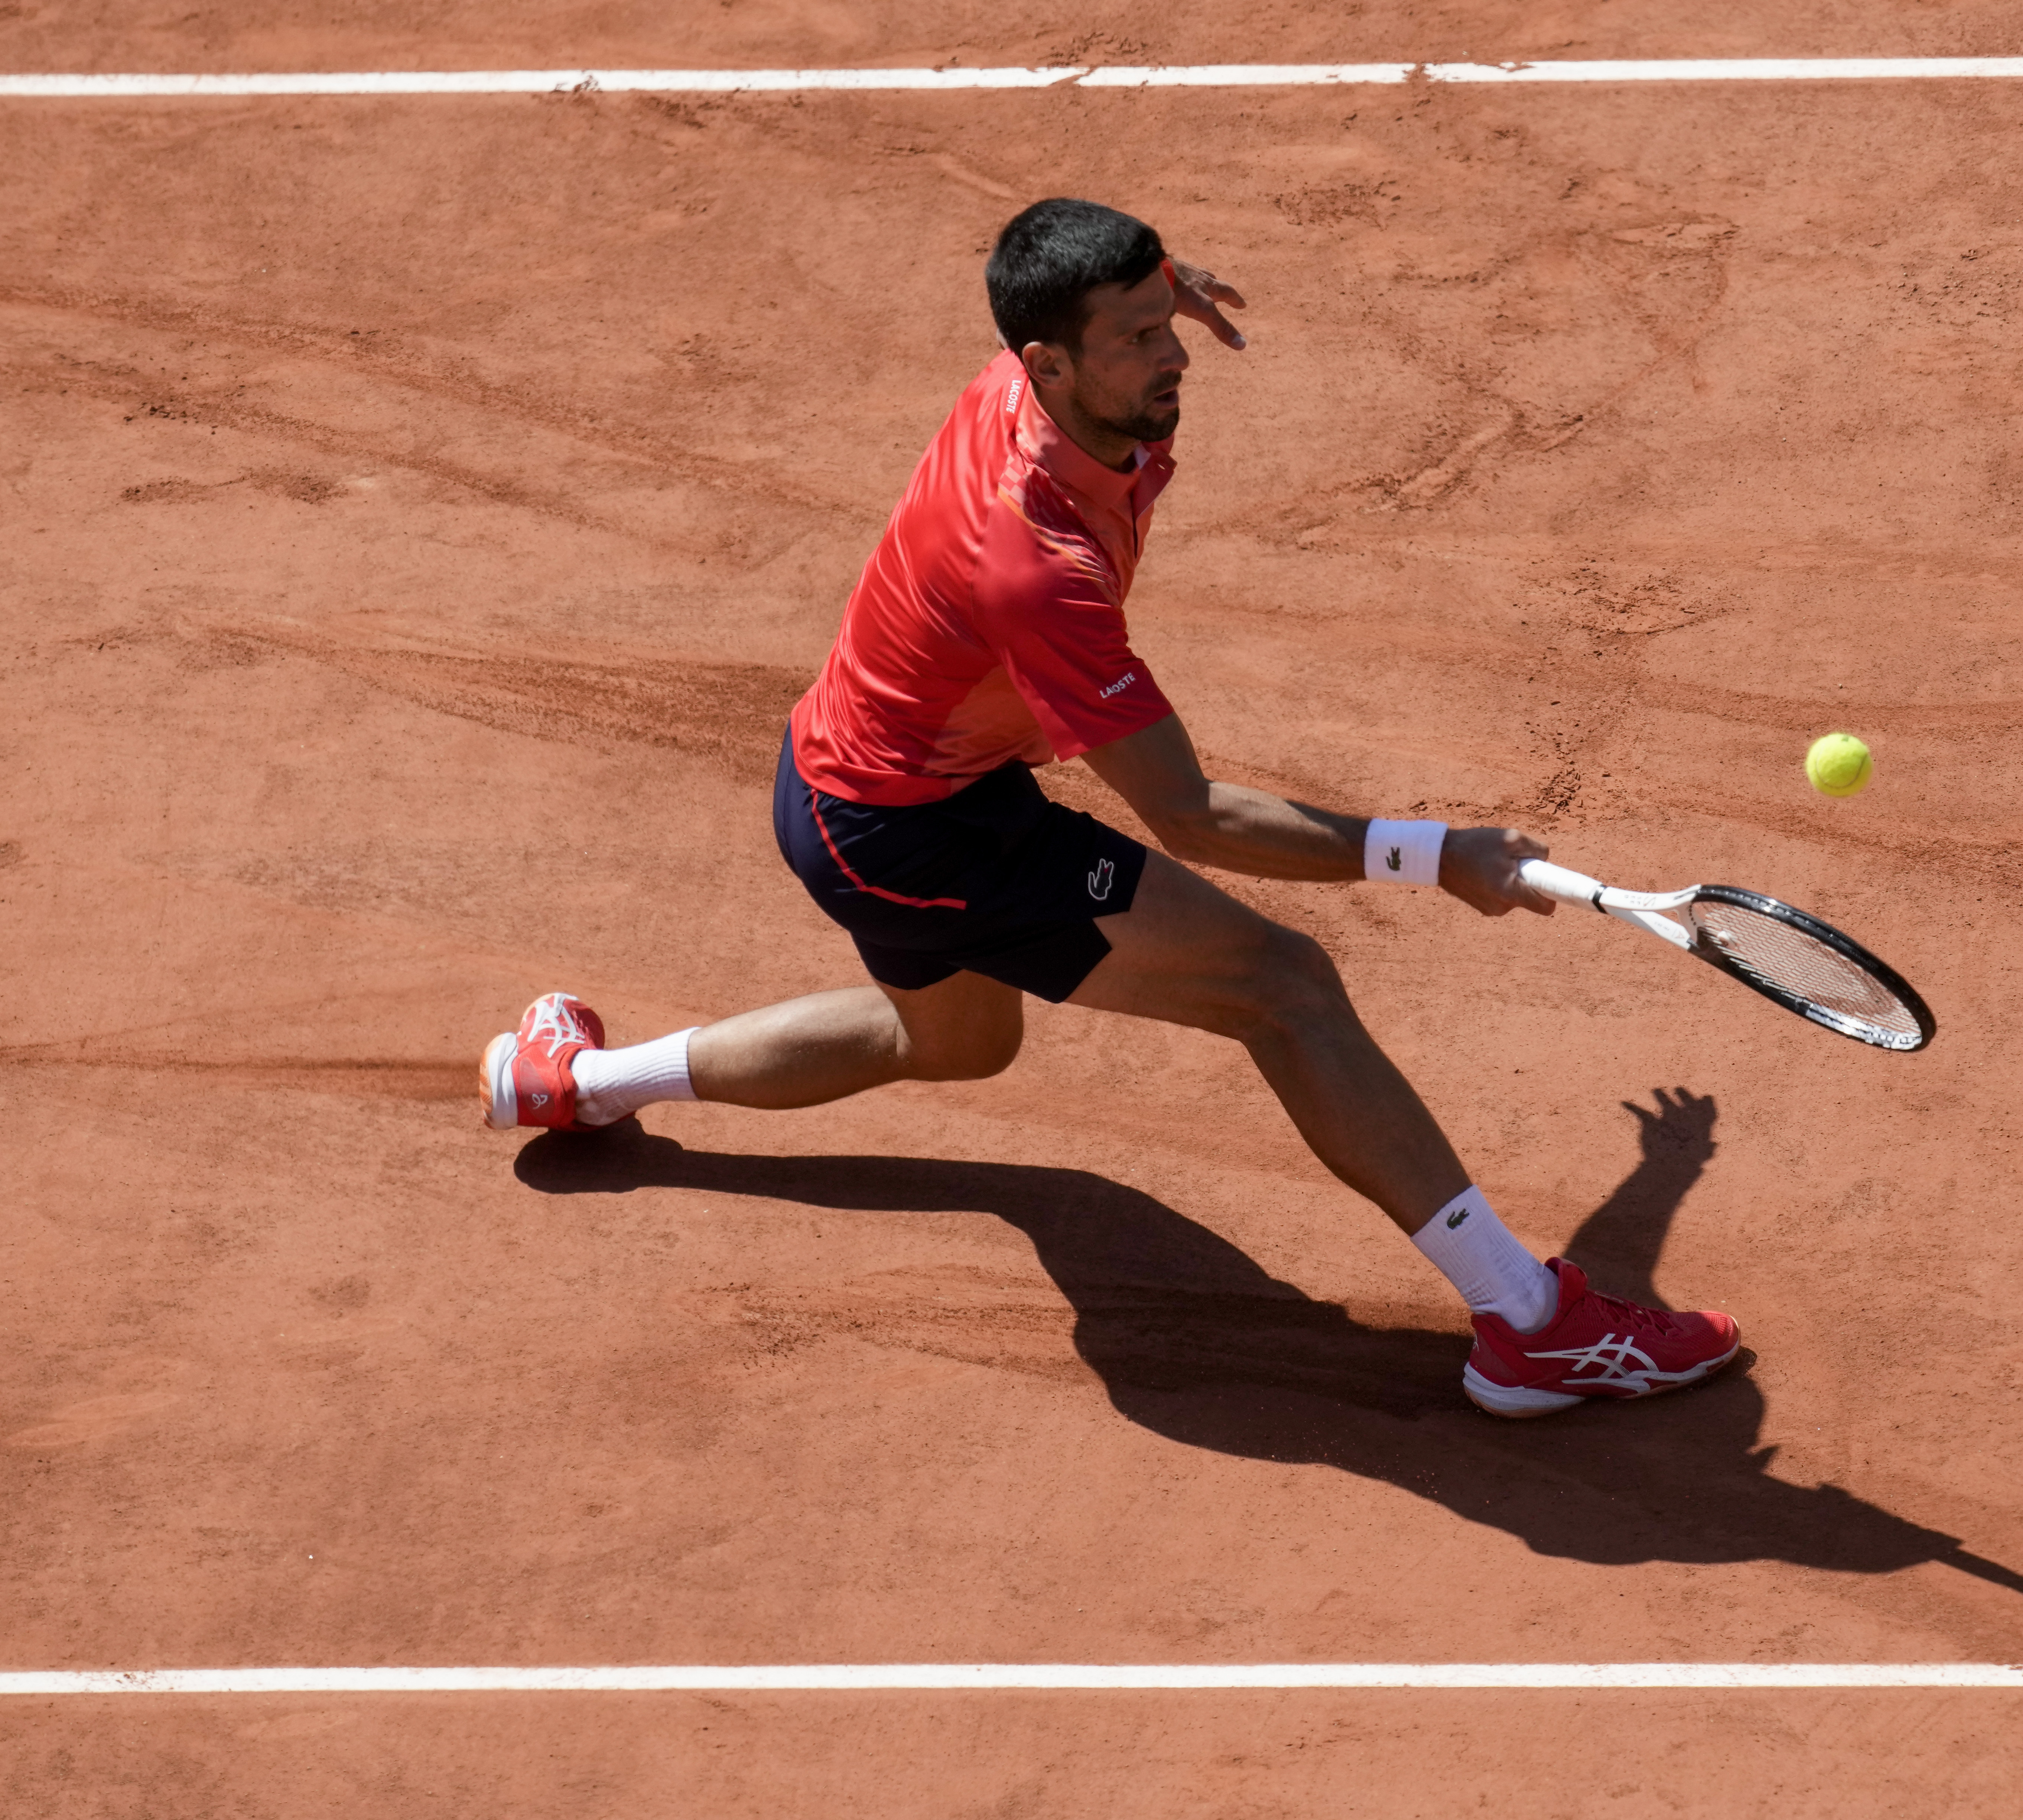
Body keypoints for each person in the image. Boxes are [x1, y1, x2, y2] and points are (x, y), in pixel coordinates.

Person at [478, 198, 1738, 1418]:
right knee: (1284, 987)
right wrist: (1433, 853)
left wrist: (1146, 282)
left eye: (1162, 320)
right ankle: (1530, 1324)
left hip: (850, 783)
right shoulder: (1034, 567)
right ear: (1049, 361)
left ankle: (577, 1082)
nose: (1173, 353)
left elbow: (1062, 276)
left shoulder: (1036, 378)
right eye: (1137, 337)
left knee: (955, 1045)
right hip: (926, 831)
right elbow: (1189, 815)